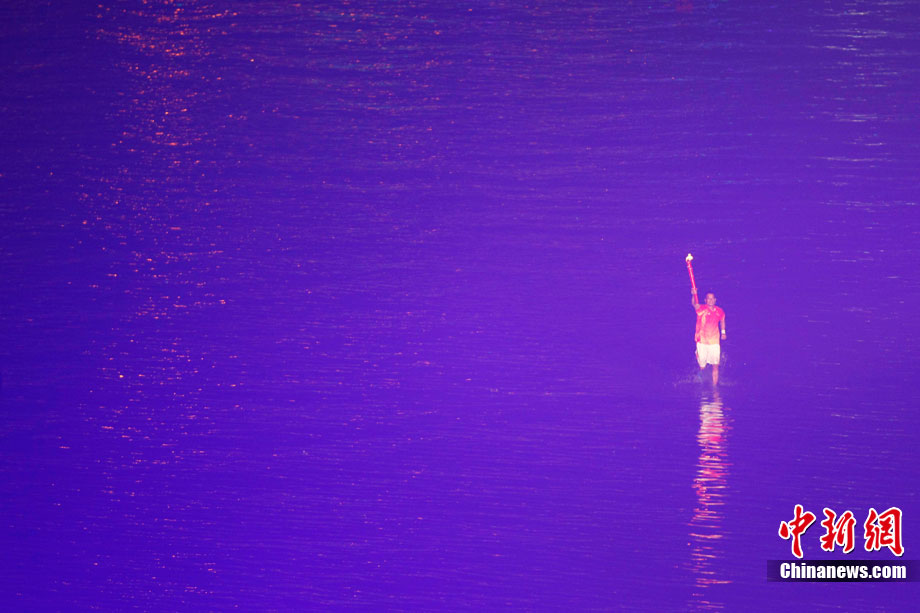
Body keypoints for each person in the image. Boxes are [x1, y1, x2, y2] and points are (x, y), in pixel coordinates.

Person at [691, 289, 726, 384]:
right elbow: (694, 304)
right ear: (705, 300)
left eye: (712, 298)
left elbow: (722, 321)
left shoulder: (720, 311)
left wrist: (723, 332)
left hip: (714, 342)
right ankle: (698, 355)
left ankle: (715, 388)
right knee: (702, 367)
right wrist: (694, 294)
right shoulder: (701, 309)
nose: (710, 300)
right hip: (702, 341)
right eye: (708, 298)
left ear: (715, 300)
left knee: (715, 365)